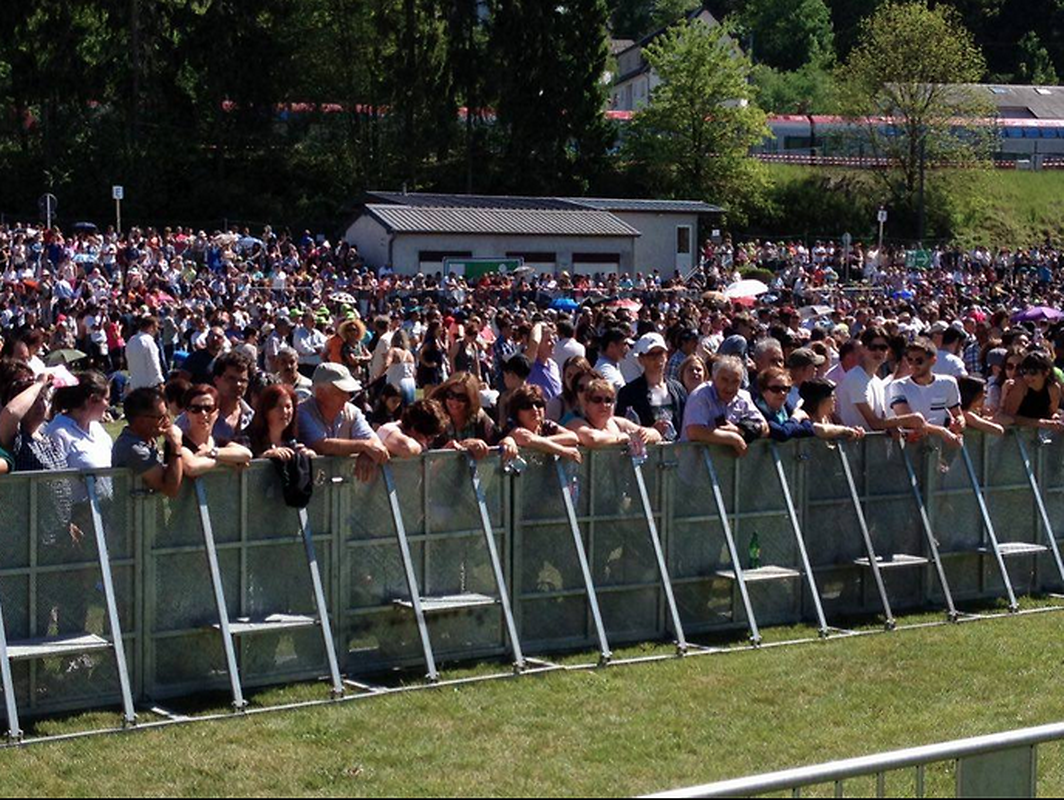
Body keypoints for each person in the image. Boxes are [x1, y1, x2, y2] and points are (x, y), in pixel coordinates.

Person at [297, 362, 390, 482]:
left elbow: (374, 441)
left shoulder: (352, 411)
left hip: (342, 491)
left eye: (348, 392)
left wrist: (367, 453)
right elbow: (322, 445)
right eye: (340, 392)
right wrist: (364, 446)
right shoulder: (302, 412)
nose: (347, 397)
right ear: (320, 393)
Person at [836, 328, 927, 434]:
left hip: (871, 447)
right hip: (854, 446)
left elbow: (881, 421)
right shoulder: (855, 378)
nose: (878, 352)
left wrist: (892, 428)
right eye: (873, 347)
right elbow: (874, 423)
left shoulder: (877, 382)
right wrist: (909, 419)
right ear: (864, 349)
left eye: (883, 348)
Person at [680, 355, 767, 456]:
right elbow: (694, 431)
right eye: (724, 380)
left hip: (731, 468)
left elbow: (765, 428)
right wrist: (732, 438)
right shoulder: (700, 395)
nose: (729, 387)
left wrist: (741, 430)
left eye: (735, 381)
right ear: (714, 378)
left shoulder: (744, 397)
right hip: (697, 465)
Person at [888, 338, 966, 446]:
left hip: (937, 447)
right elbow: (909, 420)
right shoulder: (898, 386)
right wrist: (942, 431)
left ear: (933, 360)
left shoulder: (949, 383)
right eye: (910, 360)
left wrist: (959, 422)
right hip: (909, 448)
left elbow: (958, 414)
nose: (913, 365)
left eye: (919, 361)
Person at [112, 387, 184, 497]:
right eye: (161, 417)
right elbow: (170, 489)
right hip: (133, 513)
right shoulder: (133, 448)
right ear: (140, 420)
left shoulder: (148, 440)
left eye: (167, 415)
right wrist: (176, 446)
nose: (167, 422)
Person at [430, 372, 517, 460]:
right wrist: (461, 446)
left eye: (461, 397)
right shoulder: (434, 419)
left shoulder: (481, 420)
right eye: (450, 395)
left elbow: (498, 439)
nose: (454, 401)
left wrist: (508, 441)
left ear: (471, 400)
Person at [616, 332, 686, 441]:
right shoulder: (628, 393)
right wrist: (650, 432)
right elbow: (621, 427)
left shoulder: (678, 389)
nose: (657, 359)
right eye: (651, 355)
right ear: (641, 359)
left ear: (666, 355)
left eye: (660, 353)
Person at [567, 378, 662, 449]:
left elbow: (656, 434)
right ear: (586, 403)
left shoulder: (618, 423)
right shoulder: (576, 423)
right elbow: (593, 439)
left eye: (608, 400)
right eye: (597, 400)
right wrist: (621, 438)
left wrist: (646, 434)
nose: (604, 405)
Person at [179, 385, 253, 477]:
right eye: (195, 409)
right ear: (187, 413)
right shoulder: (178, 443)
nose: (203, 414)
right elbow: (191, 467)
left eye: (208, 408)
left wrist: (210, 453)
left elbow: (246, 454)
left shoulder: (219, 442)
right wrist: (223, 461)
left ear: (217, 413)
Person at [46, 371, 114, 471]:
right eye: (106, 399)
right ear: (92, 399)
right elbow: (53, 479)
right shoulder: (58, 433)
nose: (108, 405)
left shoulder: (97, 429)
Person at [504, 384, 582, 462]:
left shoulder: (546, 425)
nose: (535, 410)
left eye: (538, 404)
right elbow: (529, 439)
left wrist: (540, 443)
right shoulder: (515, 430)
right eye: (527, 406)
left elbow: (573, 437)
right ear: (516, 413)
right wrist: (563, 451)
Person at [997, 351, 1064, 432]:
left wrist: (1055, 418)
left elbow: (1052, 412)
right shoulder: (1020, 385)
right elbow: (1008, 416)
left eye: (1033, 372)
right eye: (1024, 372)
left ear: (1046, 372)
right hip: (1016, 433)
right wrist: (1039, 423)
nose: (1028, 377)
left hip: (1040, 433)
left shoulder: (1054, 388)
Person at [247, 383, 316, 460]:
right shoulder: (248, 440)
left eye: (288, 406)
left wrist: (307, 456)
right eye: (278, 406)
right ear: (266, 410)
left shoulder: (291, 443)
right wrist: (264, 457)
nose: (284, 411)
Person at [797, 378, 867, 441]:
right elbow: (822, 430)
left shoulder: (828, 418)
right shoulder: (804, 417)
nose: (835, 399)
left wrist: (853, 431)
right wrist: (845, 430)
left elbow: (835, 430)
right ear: (821, 400)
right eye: (832, 396)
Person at [377, 399, 449, 459]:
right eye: (429, 437)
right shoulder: (388, 430)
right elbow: (407, 449)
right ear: (413, 429)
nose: (430, 441)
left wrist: (445, 454)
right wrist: (421, 446)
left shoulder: (415, 441)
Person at [126, 315, 165, 391]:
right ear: (151, 327)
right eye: (156, 327)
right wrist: (160, 382)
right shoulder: (149, 342)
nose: (157, 330)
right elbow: (154, 363)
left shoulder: (131, 340)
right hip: (149, 385)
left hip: (134, 383)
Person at [382, 329, 417, 405]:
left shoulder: (393, 351)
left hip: (397, 382)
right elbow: (414, 372)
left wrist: (378, 375)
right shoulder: (409, 354)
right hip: (410, 382)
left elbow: (386, 364)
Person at [293, 311, 327, 378]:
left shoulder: (317, 333)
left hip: (318, 367)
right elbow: (305, 350)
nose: (314, 323)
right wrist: (318, 350)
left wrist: (317, 348)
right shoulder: (299, 334)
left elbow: (326, 344)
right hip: (305, 368)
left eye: (315, 320)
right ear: (304, 322)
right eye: (312, 320)